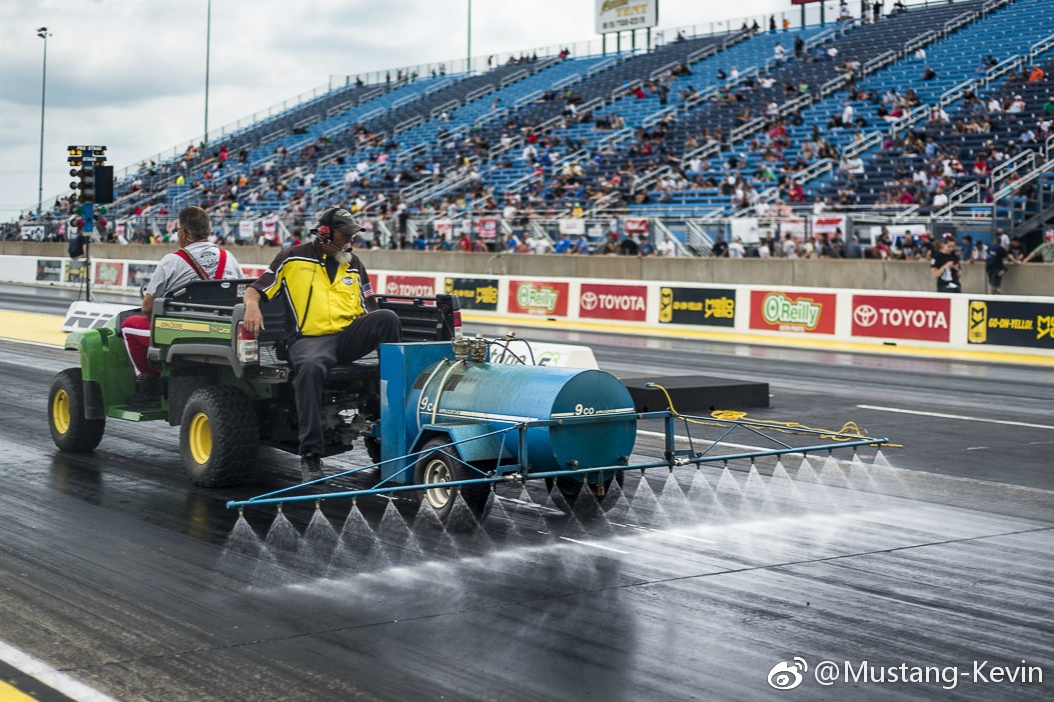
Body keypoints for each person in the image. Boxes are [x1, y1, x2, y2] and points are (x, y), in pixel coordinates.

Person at [242, 207, 402, 482]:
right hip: (308, 341)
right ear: (324, 233)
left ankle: (392, 413)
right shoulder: (291, 257)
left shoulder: (353, 263)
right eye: (345, 236)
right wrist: (251, 305)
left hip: (346, 337)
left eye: (352, 236)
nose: (349, 242)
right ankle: (311, 455)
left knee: (387, 318)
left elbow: (370, 305)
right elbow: (257, 288)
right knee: (311, 368)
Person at [121, 206, 243, 392]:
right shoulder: (229, 257)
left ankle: (148, 381)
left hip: (184, 333)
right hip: (223, 330)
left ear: (184, 233)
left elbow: (147, 308)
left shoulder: (172, 261)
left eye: (178, 229)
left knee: (129, 324)